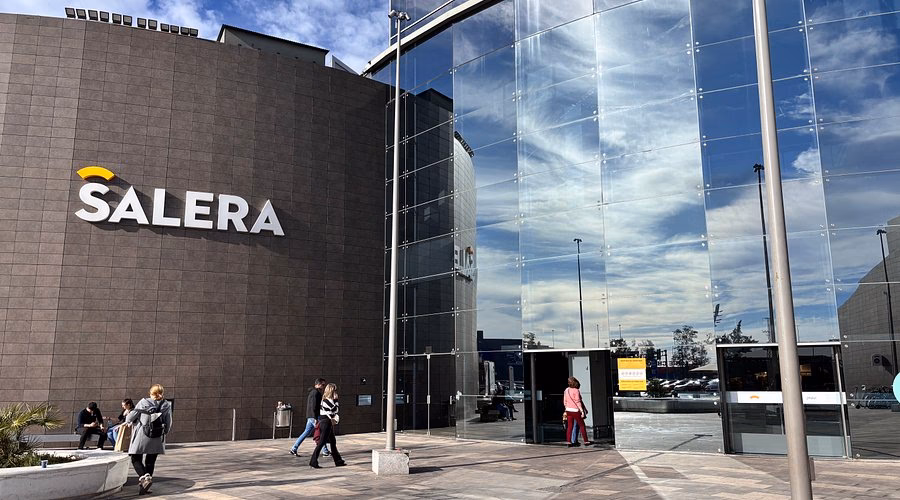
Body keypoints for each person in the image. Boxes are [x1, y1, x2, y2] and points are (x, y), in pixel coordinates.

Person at [127, 384, 173, 495]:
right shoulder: (166, 404)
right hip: (157, 437)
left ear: (150, 392)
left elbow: (130, 418)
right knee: (150, 461)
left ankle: (144, 478)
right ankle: (145, 485)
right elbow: (169, 422)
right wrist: (163, 433)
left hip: (142, 435)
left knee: (135, 457)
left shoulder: (143, 402)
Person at [290, 378, 330, 457]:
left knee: (306, 432)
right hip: (314, 416)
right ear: (318, 384)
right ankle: (325, 451)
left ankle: (294, 448)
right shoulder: (316, 393)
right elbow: (314, 406)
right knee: (321, 433)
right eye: (323, 384)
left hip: (311, 416)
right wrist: (315, 417)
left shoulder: (313, 392)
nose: (323, 386)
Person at [309, 383, 345, 468]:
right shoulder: (326, 400)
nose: (336, 392)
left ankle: (338, 461)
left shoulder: (328, 399)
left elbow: (334, 410)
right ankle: (313, 461)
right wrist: (336, 400)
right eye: (335, 390)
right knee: (321, 442)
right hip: (325, 422)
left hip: (327, 422)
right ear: (332, 391)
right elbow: (334, 409)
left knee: (333, 441)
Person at [564, 377, 592, 447]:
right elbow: (578, 401)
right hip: (576, 411)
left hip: (568, 410)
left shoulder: (566, 390)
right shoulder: (576, 391)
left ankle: (568, 441)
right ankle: (586, 441)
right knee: (582, 425)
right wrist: (582, 411)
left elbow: (565, 401)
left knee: (570, 426)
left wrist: (566, 408)